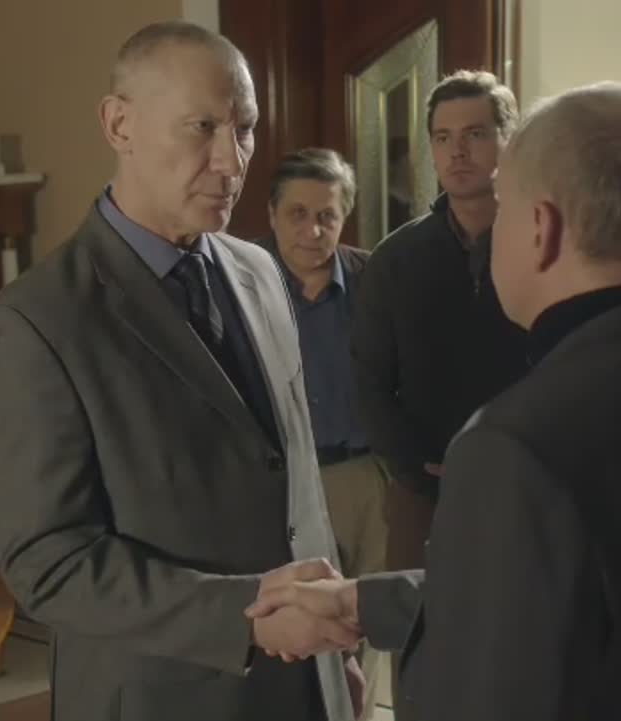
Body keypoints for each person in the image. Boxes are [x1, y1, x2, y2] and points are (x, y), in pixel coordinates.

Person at [252, 81, 621, 721]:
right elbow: (598, 604)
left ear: (542, 228)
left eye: (504, 207)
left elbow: (482, 685)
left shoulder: (514, 446)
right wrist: (359, 604)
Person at [0, 22, 363, 721]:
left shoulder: (260, 270)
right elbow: (48, 564)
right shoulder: (35, 322)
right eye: (201, 127)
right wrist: (244, 618)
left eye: (244, 129)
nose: (231, 161)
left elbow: (294, 477)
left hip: (306, 683)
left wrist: (337, 658)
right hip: (163, 697)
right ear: (118, 123)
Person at [352, 70, 529, 580]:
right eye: (443, 138)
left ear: (509, 141)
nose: (458, 152)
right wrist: (415, 464)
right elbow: (369, 381)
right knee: (417, 621)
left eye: (475, 134)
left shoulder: (544, 245)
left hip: (527, 483)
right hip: (423, 491)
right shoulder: (395, 259)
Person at [257, 147, 388, 719]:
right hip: (289, 481)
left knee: (373, 619)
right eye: (298, 214)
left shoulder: (374, 279)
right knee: (302, 624)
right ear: (272, 214)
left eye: (327, 216)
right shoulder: (243, 282)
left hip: (367, 477)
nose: (313, 231)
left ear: (344, 217)